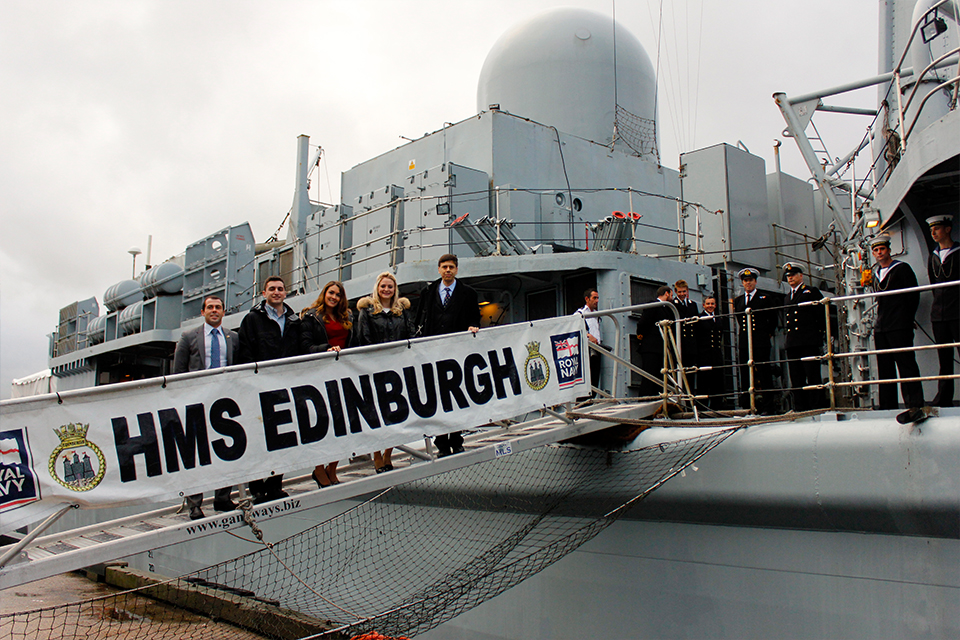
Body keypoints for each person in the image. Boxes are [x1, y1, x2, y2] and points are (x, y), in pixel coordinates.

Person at [173, 295, 239, 520]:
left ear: (223, 311)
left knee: (227, 448)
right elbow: (179, 372)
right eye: (210, 307)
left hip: (224, 402)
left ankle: (223, 497)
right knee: (197, 451)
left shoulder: (233, 338)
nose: (214, 310)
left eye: (218, 307)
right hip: (197, 400)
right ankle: (194, 503)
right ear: (202, 312)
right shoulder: (189, 337)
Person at [237, 276, 302, 503]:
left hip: (286, 387)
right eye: (272, 289)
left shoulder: (294, 320)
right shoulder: (252, 320)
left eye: (280, 289)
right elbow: (245, 353)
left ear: (286, 293)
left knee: (285, 436)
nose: (276, 292)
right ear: (264, 293)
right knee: (258, 438)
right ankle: (256, 486)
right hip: (260, 388)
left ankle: (275, 484)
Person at [415, 254, 480, 457]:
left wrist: (474, 327)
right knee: (439, 397)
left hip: (457, 352)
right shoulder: (428, 292)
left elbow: (475, 317)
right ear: (439, 269)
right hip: (434, 352)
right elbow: (419, 319)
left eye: (451, 267)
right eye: (444, 267)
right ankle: (441, 443)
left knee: (456, 395)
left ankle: (457, 440)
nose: (448, 270)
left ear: (457, 269)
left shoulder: (468, 293)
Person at [357, 272, 416, 472]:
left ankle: (388, 454)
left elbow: (411, 335)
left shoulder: (403, 311)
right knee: (377, 412)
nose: (386, 290)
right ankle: (376, 454)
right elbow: (363, 337)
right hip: (376, 368)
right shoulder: (368, 310)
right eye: (383, 286)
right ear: (377, 287)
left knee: (396, 411)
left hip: (398, 368)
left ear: (394, 289)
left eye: (390, 286)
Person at [300, 280, 355, 487]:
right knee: (323, 424)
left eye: (338, 294)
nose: (334, 297)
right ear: (324, 293)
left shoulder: (347, 316)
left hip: (344, 373)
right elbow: (305, 345)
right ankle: (317, 468)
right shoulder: (311, 316)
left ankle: (332, 468)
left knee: (344, 423)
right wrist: (326, 349)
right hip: (321, 375)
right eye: (331, 293)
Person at [870, 234, 924, 421]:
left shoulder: (902, 269)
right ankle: (887, 404)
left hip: (899, 324)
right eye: (876, 250)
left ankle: (914, 403)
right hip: (882, 325)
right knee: (885, 367)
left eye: (882, 249)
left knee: (906, 363)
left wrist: (907, 319)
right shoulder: (876, 274)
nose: (879, 253)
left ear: (888, 250)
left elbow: (912, 296)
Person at [781, 262, 825, 412]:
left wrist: (822, 335)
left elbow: (821, 315)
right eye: (788, 276)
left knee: (812, 375)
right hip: (793, 342)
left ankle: (816, 406)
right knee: (796, 376)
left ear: (801, 275)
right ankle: (800, 407)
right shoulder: (787, 297)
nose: (790, 278)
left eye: (793, 275)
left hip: (808, 340)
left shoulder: (811, 292)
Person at [731, 268, 776, 412]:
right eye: (745, 281)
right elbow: (739, 318)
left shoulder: (764, 298)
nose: (748, 283)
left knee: (764, 373)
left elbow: (772, 319)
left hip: (760, 340)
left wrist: (767, 333)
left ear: (755, 281)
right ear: (742, 283)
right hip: (745, 341)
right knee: (745, 374)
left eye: (750, 280)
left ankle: (769, 406)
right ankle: (747, 406)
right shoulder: (738, 301)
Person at [926, 215, 959, 407]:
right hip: (939, 314)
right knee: (944, 359)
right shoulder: (934, 256)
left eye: (937, 229)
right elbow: (933, 283)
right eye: (932, 230)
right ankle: (944, 398)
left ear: (947, 229)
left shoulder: (958, 251)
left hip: (958, 311)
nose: (933, 233)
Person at [636, 286, 674, 399]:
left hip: (662, 347)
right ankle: (644, 400)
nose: (672, 298)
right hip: (651, 347)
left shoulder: (667, 308)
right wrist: (642, 338)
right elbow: (643, 323)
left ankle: (657, 399)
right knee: (649, 375)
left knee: (660, 376)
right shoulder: (653, 305)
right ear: (666, 293)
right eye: (671, 295)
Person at [696, 295, 727, 409]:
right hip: (704, 354)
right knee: (704, 382)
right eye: (708, 304)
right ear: (704, 305)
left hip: (716, 354)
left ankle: (717, 405)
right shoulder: (699, 318)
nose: (710, 306)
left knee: (717, 381)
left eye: (712, 304)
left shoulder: (718, 319)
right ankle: (702, 407)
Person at [672, 280, 700, 385]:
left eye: (684, 292)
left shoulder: (693, 305)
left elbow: (696, 325)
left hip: (691, 344)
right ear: (676, 292)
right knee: (680, 373)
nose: (682, 294)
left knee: (691, 373)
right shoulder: (673, 305)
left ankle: (690, 398)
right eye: (679, 292)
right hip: (680, 343)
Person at [576, 288, 603, 391]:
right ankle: (582, 403)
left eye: (598, 298)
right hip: (585, 350)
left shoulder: (596, 314)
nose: (597, 301)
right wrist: (588, 335)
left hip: (597, 349)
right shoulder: (580, 313)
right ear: (587, 299)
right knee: (587, 379)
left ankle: (591, 401)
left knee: (595, 379)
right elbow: (574, 329)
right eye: (594, 298)